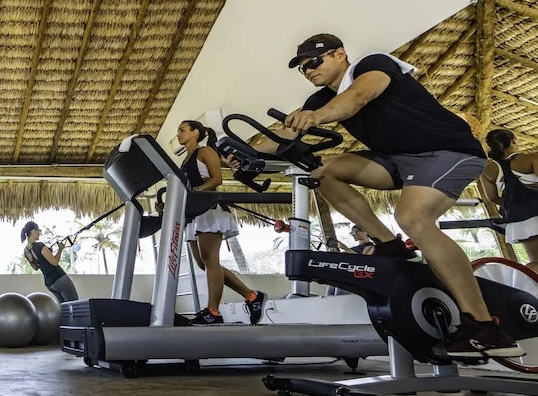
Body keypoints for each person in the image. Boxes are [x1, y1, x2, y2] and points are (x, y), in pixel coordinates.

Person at [243, 33, 521, 358]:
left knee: (413, 217)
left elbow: (357, 98)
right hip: (398, 160)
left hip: (449, 152)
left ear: (339, 54)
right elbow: (284, 132)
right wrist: (244, 152)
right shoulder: (320, 100)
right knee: (322, 172)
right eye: (302, 68)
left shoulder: (372, 64)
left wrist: (316, 117)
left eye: (314, 62)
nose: (309, 70)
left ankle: (485, 326)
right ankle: (389, 245)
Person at [171, 120, 267, 325]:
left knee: (209, 259)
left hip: (209, 209)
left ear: (195, 133)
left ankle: (213, 311)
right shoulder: (185, 160)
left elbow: (216, 179)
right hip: (193, 214)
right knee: (203, 263)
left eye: (182, 130)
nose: (178, 134)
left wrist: (195, 192)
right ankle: (252, 296)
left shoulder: (205, 151)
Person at [479, 129, 538, 272]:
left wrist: (515, 203)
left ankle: (521, 281)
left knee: (535, 262)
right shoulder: (530, 158)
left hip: (518, 220)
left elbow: (492, 198)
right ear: (513, 140)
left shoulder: (487, 169)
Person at [21, 221, 79, 303]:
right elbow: (54, 262)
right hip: (58, 277)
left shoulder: (26, 251)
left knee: (63, 307)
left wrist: (44, 256)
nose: (39, 233)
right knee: (75, 305)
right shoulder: (39, 246)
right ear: (33, 231)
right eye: (38, 230)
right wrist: (60, 249)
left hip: (49, 284)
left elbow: (35, 267)